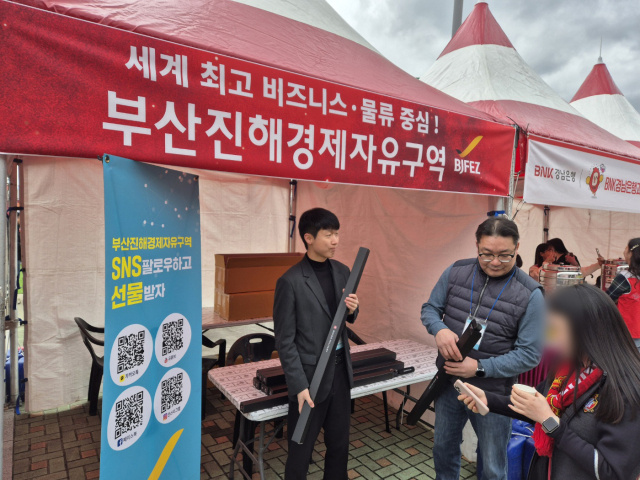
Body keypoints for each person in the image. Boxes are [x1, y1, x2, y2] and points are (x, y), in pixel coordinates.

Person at [458, 284, 640, 480]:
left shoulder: (625, 390)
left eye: (555, 330)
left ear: (585, 330)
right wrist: (489, 400)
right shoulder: (568, 366)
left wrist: (550, 423)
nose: (550, 340)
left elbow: (612, 472)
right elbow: (536, 405)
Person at [421, 217, 544, 480]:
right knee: (443, 448)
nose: (495, 262)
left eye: (504, 255)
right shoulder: (456, 271)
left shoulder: (530, 293)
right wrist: (439, 329)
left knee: (492, 463)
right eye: (486, 254)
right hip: (448, 382)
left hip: (494, 393)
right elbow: (430, 308)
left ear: (518, 248)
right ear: (476, 245)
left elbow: (530, 354)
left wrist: (478, 368)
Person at [273, 208, 359, 480]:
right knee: (300, 447)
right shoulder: (290, 281)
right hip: (310, 378)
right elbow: (284, 341)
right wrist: (298, 386)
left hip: (340, 373)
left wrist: (354, 309)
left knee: (339, 444)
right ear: (308, 238)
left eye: (337, 233)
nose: (335, 240)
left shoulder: (343, 271)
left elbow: (347, 316)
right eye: (328, 235)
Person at [607, 237, 640, 350]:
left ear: (631, 253)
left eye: (626, 247)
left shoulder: (625, 277)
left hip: (627, 334)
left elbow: (607, 299)